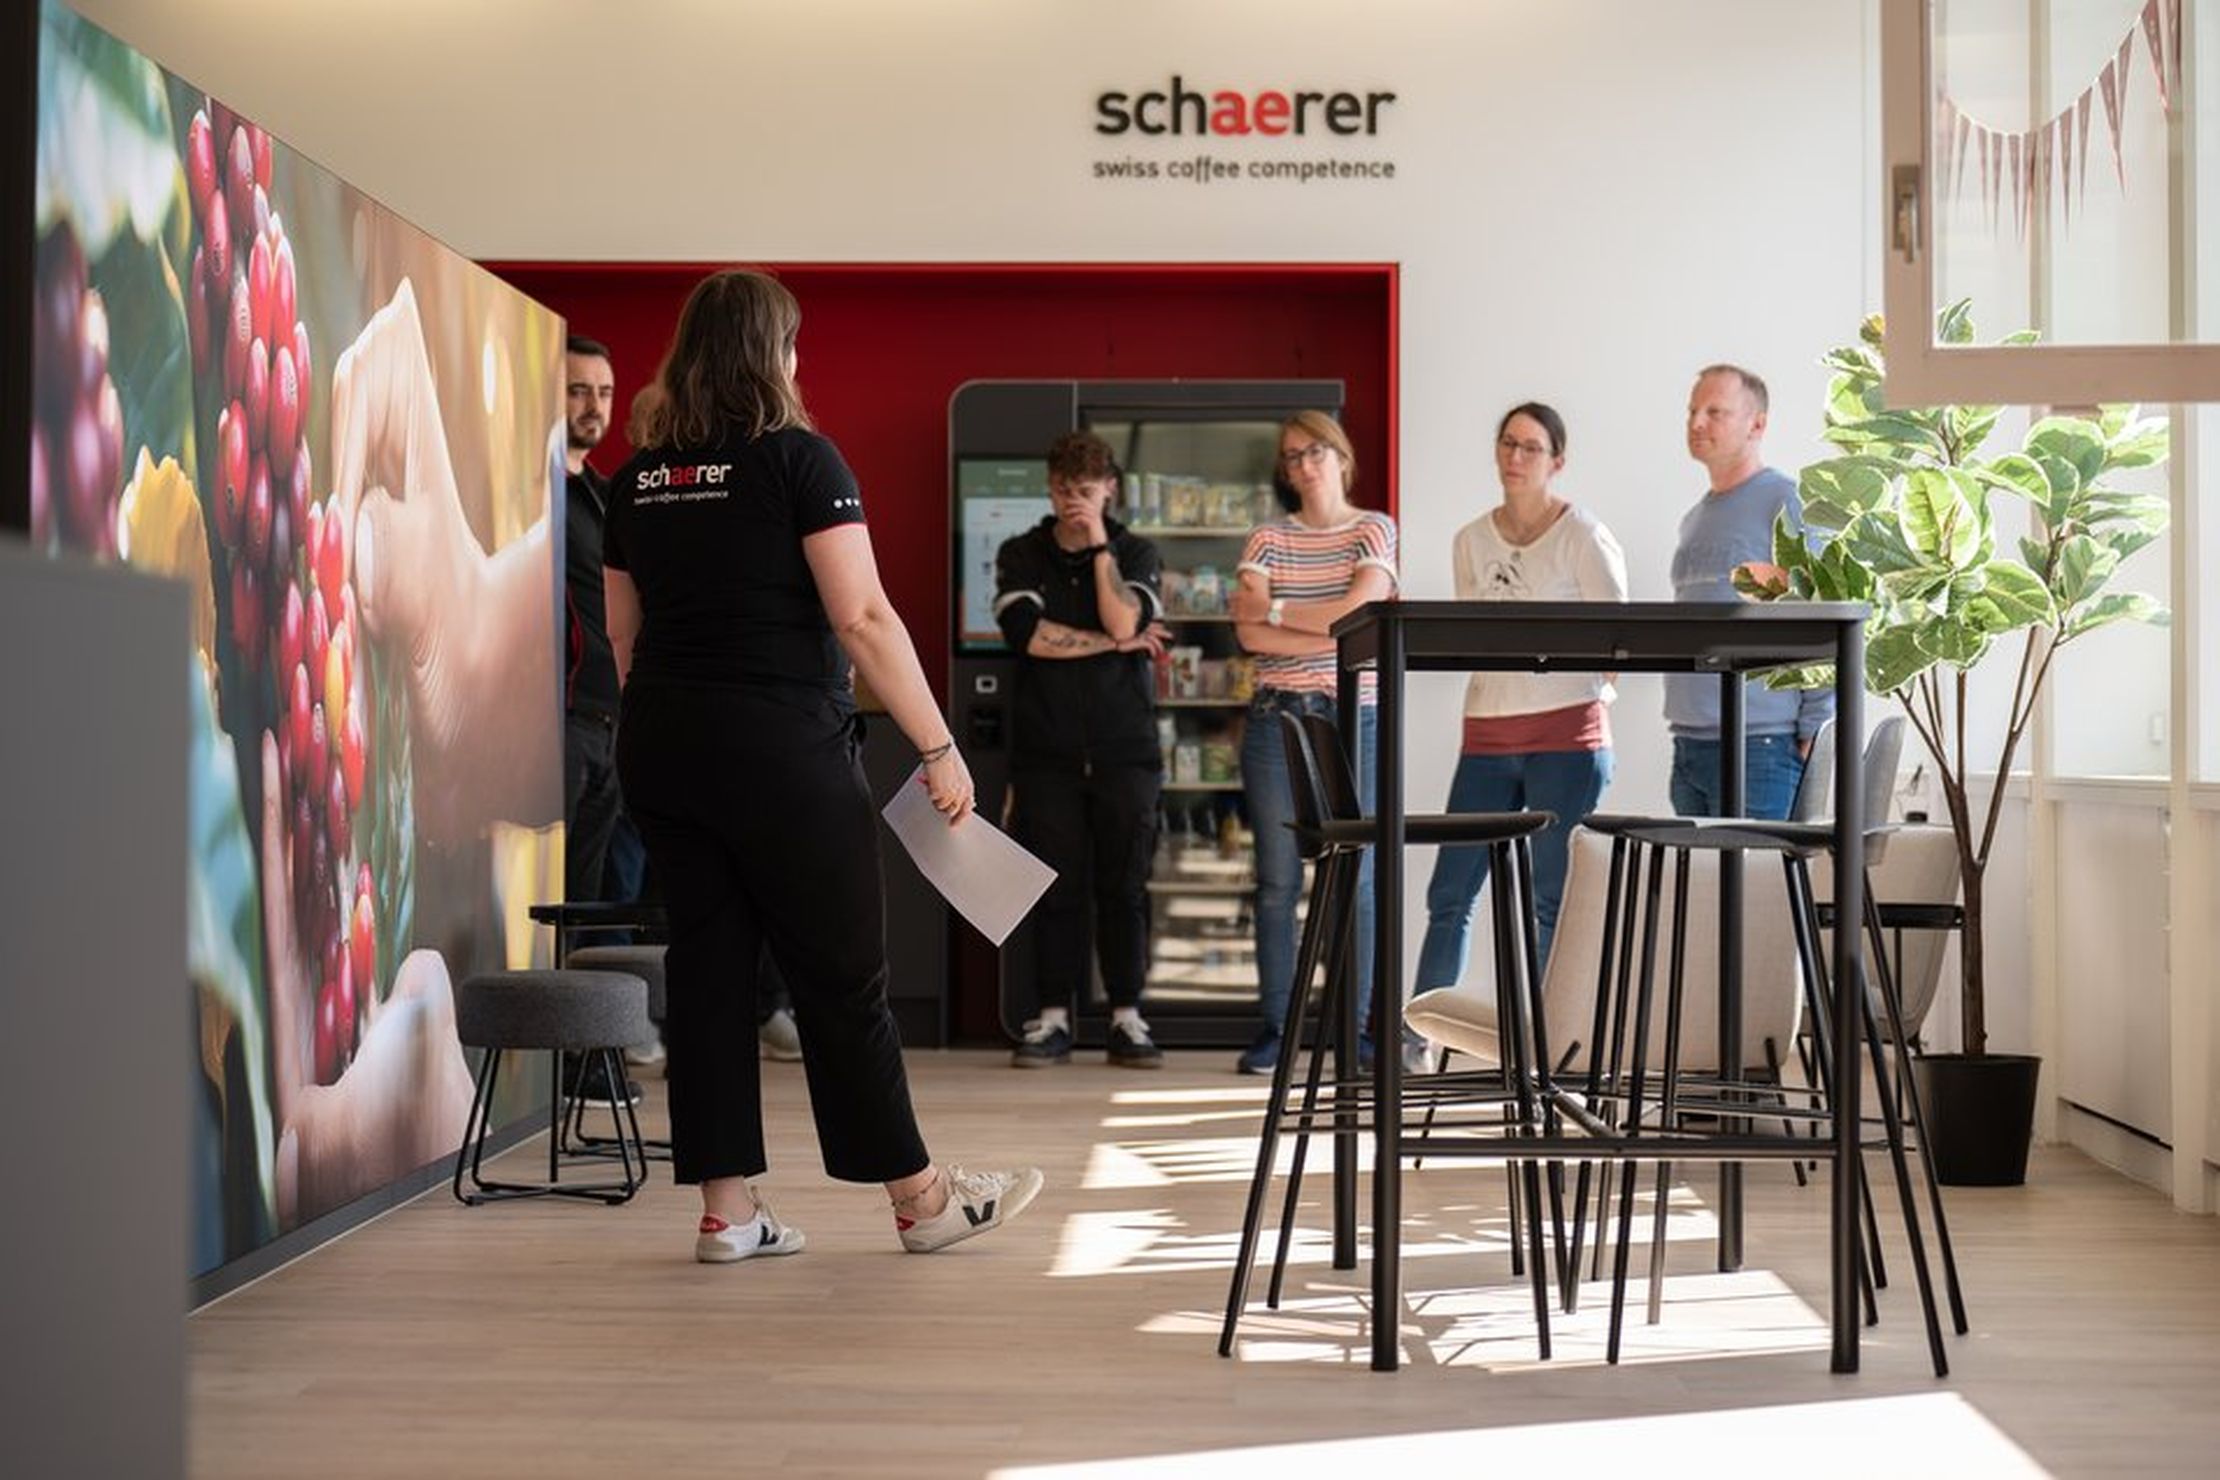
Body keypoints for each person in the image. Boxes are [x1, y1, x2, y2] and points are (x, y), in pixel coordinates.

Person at [601, 268, 1042, 1261]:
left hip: (663, 745)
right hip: (782, 748)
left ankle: (730, 1209)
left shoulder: (637, 478)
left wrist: (680, 729)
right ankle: (921, 1200)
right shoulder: (801, 461)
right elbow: (864, 616)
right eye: (792, 344)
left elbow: (623, 641)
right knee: (843, 978)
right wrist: (938, 745)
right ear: (772, 354)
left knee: (709, 973)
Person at [1412, 403, 1627, 999]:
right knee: (1450, 894)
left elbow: (1619, 639)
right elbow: (1472, 638)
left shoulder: (1584, 535)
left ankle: (1543, 1041)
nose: (1515, 457)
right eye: (1508, 443)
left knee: (1550, 897)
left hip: (1566, 742)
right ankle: (1418, 1036)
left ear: (1557, 461)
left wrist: (1590, 695)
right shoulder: (1470, 540)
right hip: (1486, 738)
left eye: (1531, 447)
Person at [1227, 411, 1399, 1076]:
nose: (1303, 465)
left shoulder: (1373, 528)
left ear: (1342, 456)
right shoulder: (1267, 536)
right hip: (1276, 719)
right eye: (1292, 456)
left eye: (1315, 451)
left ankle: (1355, 1031)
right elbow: (1249, 637)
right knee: (1276, 883)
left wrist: (1276, 611)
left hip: (1358, 716)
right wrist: (1327, 627)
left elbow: (1357, 616)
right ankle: (1279, 1028)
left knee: (1356, 877)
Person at [994, 431, 1171, 1069]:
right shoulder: (1021, 552)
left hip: (1127, 753)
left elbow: (1125, 620)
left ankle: (1127, 1017)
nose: (1074, 501)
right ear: (1049, 488)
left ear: (1110, 490)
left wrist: (1099, 546)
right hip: (1046, 755)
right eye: (1065, 489)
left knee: (1124, 887)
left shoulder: (1136, 551)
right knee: (1054, 887)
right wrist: (1113, 644)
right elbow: (1028, 637)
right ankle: (1052, 1020)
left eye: (1087, 490)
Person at [1666, 364, 1832, 818]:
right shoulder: (1694, 519)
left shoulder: (1786, 503)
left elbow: (1823, 609)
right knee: (1704, 888)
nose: (1697, 423)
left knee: (1754, 886)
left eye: (1714, 411)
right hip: (1690, 743)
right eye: (1692, 411)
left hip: (1761, 742)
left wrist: (1816, 727)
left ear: (1756, 424)